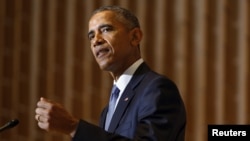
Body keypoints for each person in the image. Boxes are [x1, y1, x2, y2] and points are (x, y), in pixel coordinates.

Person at [35, 5, 186, 141]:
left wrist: (74, 127)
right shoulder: (107, 111)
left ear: (135, 37)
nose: (96, 41)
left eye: (106, 29)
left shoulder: (156, 88)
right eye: (91, 36)